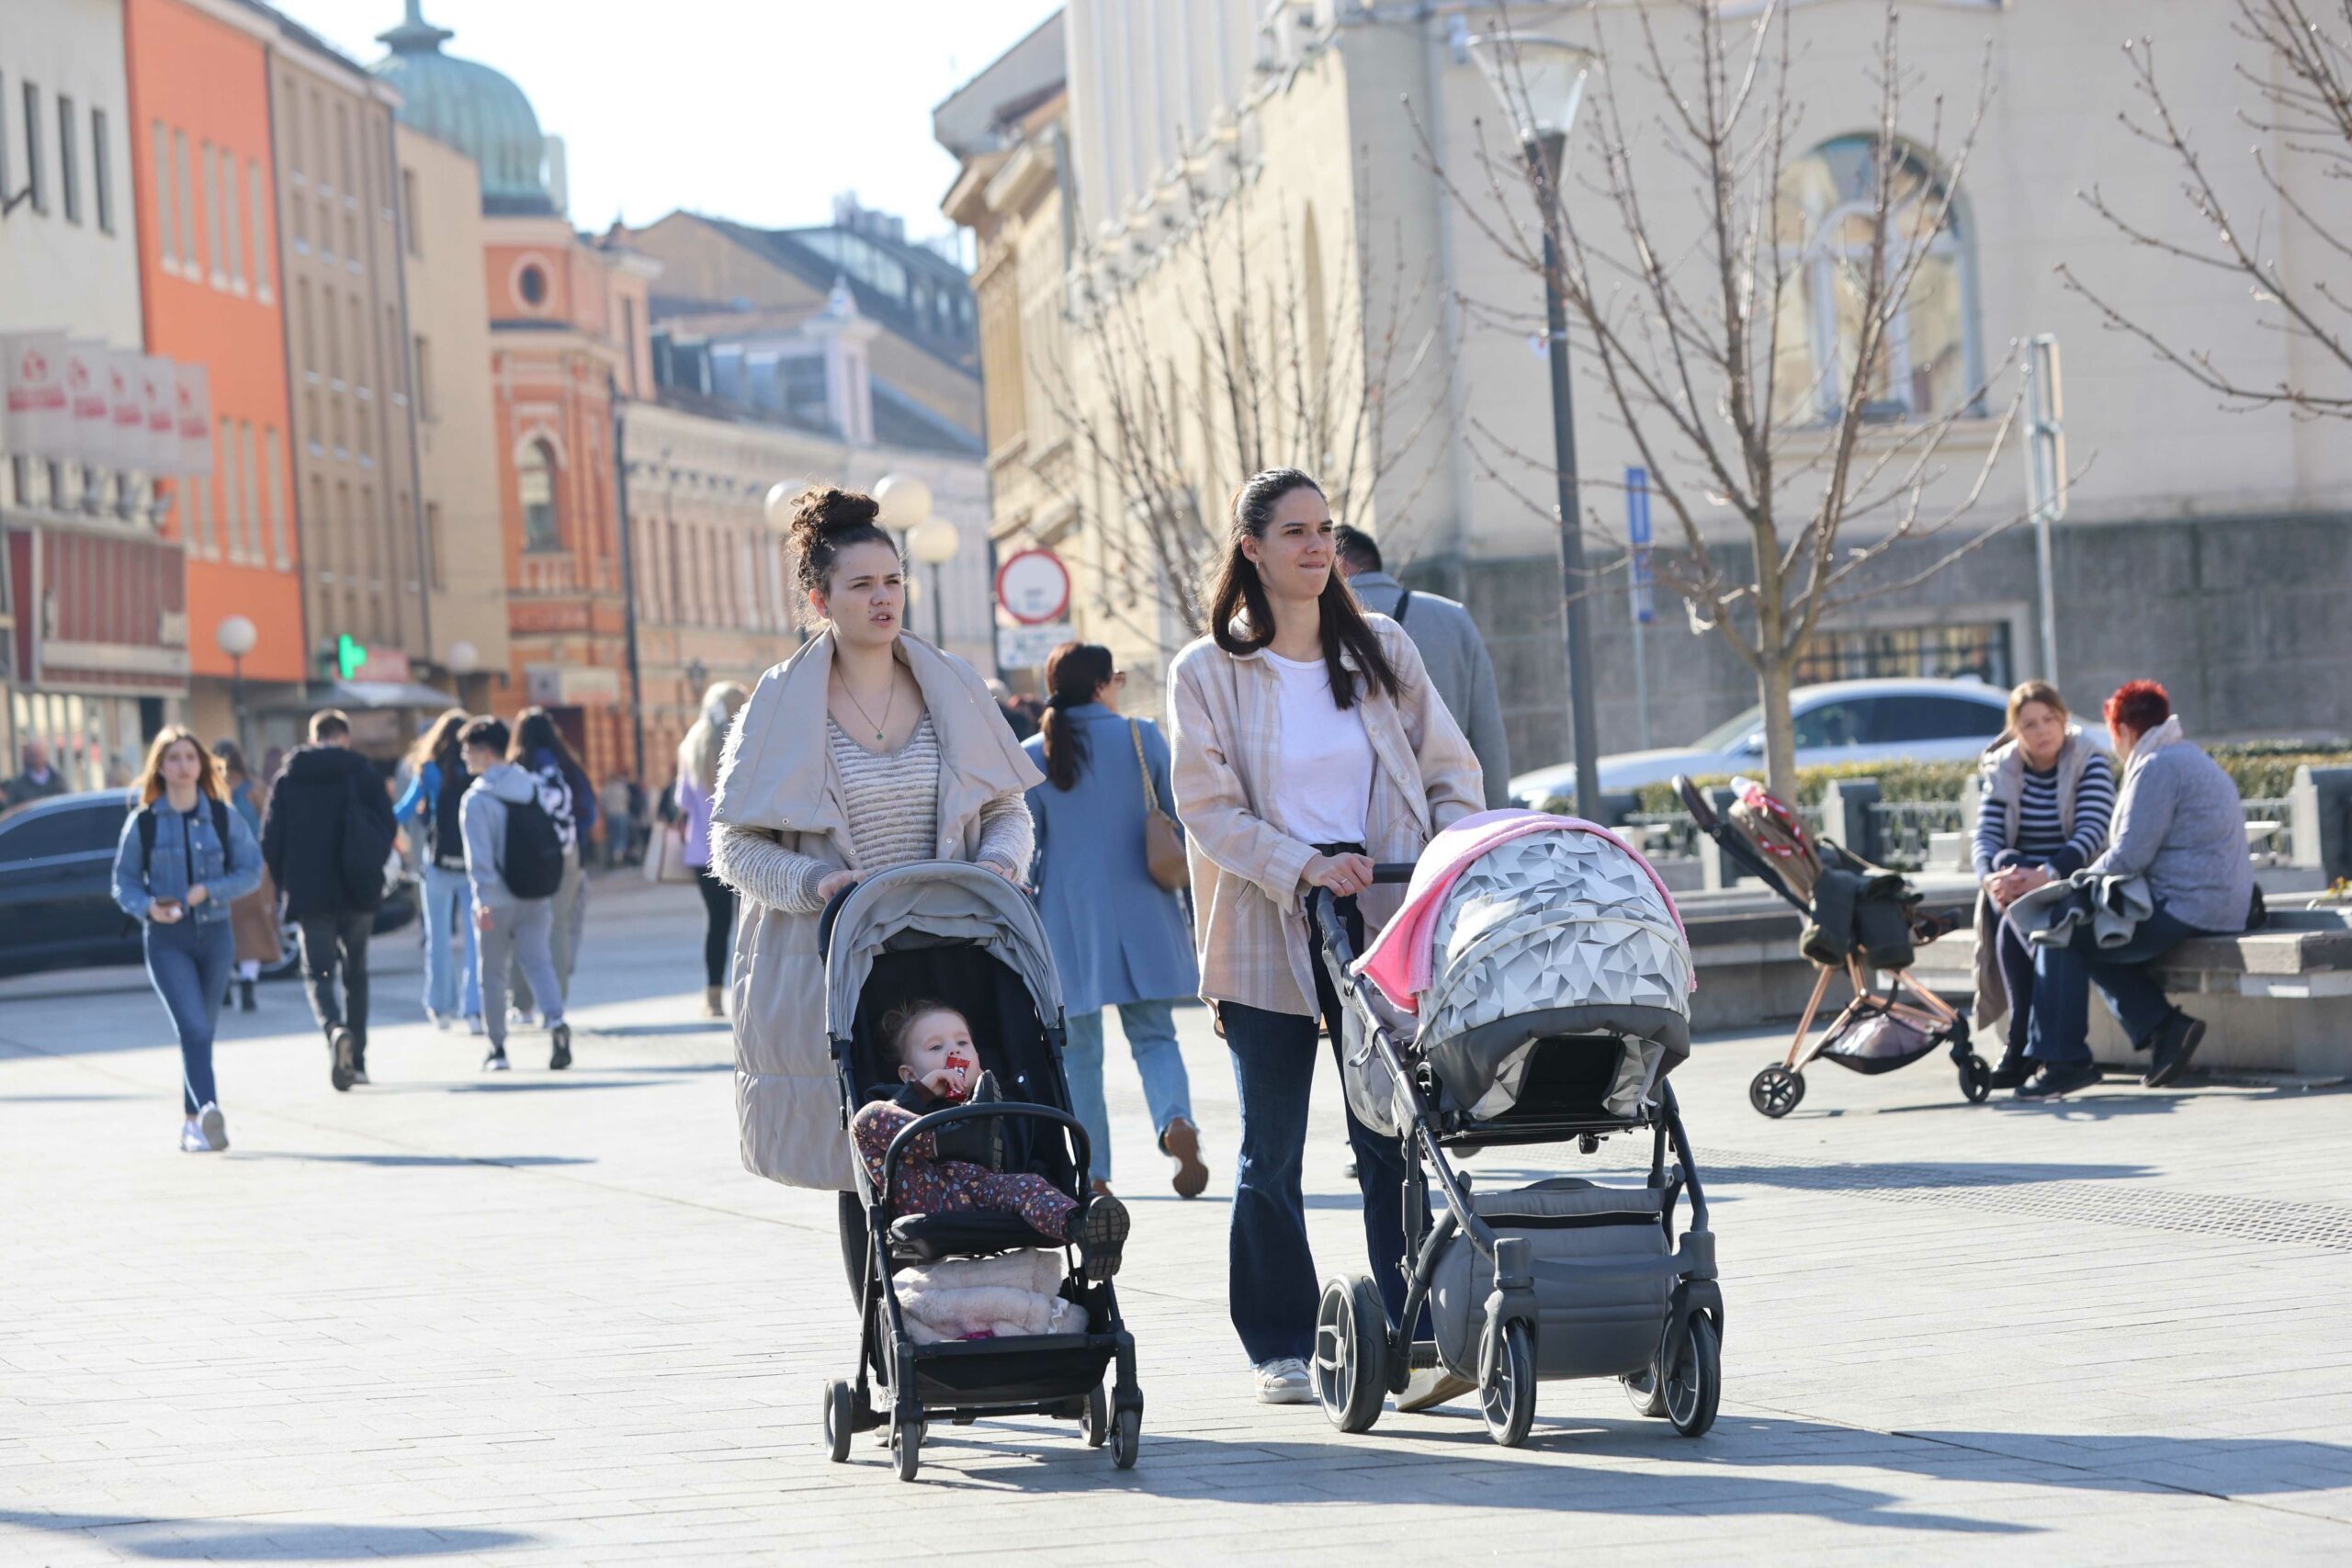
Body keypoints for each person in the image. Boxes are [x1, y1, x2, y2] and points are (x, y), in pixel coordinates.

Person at [1168, 468, 1482, 1405]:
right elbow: (1205, 807)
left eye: (1325, 530)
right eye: (1294, 531)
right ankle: (1278, 1341)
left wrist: (1450, 860)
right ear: (1250, 548)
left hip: (1382, 908)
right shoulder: (1207, 670)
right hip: (1269, 911)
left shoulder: (1382, 647)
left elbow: (1447, 767)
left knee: (1391, 1133)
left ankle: (1418, 1331)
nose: (1316, 547)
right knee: (1271, 1145)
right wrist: (1296, 862)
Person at [707, 485, 1039, 1296]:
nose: (883, 597)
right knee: (871, 1152)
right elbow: (731, 842)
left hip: (955, 945)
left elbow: (1007, 807)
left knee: (975, 1122)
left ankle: (985, 1315)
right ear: (819, 599)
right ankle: (890, 1347)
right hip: (843, 955)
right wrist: (813, 881)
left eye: (892, 581)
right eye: (861, 585)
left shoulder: (950, 681)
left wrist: (1002, 865)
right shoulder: (780, 702)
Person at [1023, 641, 1209, 1200]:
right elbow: (1181, 817)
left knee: (1079, 1053)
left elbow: (1024, 845)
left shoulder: (1033, 753)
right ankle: (1176, 1121)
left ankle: (1095, 1173)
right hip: (1145, 909)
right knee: (1155, 1035)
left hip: (1068, 920)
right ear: (1105, 683)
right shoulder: (1143, 737)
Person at [2014, 681, 2255, 1100]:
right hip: (2212, 902)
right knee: (2091, 935)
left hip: (2187, 905)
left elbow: (2128, 856)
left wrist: (2065, 884)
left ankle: (2065, 1059)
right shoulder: (2186, 756)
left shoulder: (2157, 765)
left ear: (2123, 730)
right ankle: (2165, 1028)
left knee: (2062, 924)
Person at [849, 1000, 1129, 1280]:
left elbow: (1022, 1158)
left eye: (963, 1042)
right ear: (909, 1073)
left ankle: (1081, 1228)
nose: (953, 1051)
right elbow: (879, 1124)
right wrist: (921, 1092)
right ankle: (957, 1137)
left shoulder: (1001, 1101)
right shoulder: (897, 1098)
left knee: (1028, 1185)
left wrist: (986, 1105)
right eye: (936, 1047)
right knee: (867, 1117)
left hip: (984, 1190)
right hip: (926, 1191)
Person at [111, 728, 262, 1152]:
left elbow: (251, 870)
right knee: (193, 1026)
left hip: (216, 933)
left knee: (201, 1033)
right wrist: (148, 907)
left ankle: (192, 1125)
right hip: (166, 939)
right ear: (160, 765)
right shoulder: (142, 822)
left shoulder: (221, 816)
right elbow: (123, 883)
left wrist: (208, 890)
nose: (183, 765)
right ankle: (210, 1109)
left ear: (202, 765)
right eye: (173, 757)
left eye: (190, 757)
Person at [1968, 681, 2117, 1090]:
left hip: (2076, 879)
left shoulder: (2089, 759)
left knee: (2013, 918)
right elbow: (1985, 838)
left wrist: (2047, 874)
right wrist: (1990, 877)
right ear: (2016, 730)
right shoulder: (2003, 767)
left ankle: (2023, 1045)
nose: (2042, 731)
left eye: (2050, 719)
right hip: (2020, 885)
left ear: (2063, 719)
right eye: (2030, 724)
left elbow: (2091, 833)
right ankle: (2030, 1045)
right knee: (2002, 865)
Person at [261, 709, 396, 1092]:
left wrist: (287, 881)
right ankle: (361, 1059)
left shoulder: (289, 777)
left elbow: (270, 840)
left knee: (318, 972)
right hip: (358, 889)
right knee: (356, 972)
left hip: (311, 894)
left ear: (313, 735)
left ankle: (335, 1029)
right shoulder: (363, 772)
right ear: (345, 737)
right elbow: (387, 827)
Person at [1334, 525, 1512, 809]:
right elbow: (1487, 733)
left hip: (1349, 828)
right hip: (1447, 813)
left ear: (1340, 565)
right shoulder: (1453, 619)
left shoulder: (1314, 623)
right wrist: (1495, 819)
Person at [458, 716, 572, 1073]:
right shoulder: (530, 785)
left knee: (492, 973)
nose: (464, 757)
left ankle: (498, 1049)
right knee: (538, 962)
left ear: (486, 753)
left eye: (468, 751)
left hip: (498, 899)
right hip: (536, 892)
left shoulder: (476, 799)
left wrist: (482, 900)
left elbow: (480, 858)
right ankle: (555, 1021)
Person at [393, 709, 483, 1033]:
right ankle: (474, 1010)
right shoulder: (476, 772)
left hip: (437, 864)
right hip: (473, 865)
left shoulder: (429, 770)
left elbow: (403, 809)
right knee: (476, 940)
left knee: (438, 939)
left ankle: (440, 1008)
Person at [506, 708, 593, 1020]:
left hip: (523, 856)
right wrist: (575, 842)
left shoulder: (515, 767)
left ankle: (521, 1003)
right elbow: (588, 811)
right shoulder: (569, 767)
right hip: (565, 854)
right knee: (557, 927)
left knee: (522, 926)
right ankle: (555, 1004)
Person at [674, 681, 751, 1019]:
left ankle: (713, 996)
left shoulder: (692, 744)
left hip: (702, 853)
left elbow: (682, 801)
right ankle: (748, 993)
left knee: (716, 924)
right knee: (748, 925)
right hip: (745, 847)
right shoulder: (746, 741)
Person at [210, 739, 277, 1013]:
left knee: (222, 930)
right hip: (253, 868)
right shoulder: (254, 789)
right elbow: (270, 825)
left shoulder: (209, 791)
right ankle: (247, 986)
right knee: (252, 929)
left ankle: (224, 986)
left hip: (220, 868)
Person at [5, 738, 71, 808]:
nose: (35, 758)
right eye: (32, 754)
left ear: (44, 754)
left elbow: (67, 802)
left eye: (38, 754)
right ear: (27, 756)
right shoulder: (18, 785)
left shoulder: (57, 779)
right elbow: (11, 810)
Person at [599, 772, 635, 870]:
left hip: (611, 815)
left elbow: (601, 803)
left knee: (614, 837)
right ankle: (619, 858)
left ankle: (616, 858)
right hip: (621, 814)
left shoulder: (605, 789)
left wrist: (606, 811)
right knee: (621, 836)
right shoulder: (621, 788)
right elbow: (628, 799)